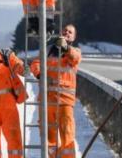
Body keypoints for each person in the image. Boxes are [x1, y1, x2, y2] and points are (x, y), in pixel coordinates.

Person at [30, 24, 81, 158]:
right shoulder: (48, 50)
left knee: (67, 136)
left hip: (65, 102)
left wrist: (65, 47)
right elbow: (35, 63)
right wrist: (40, 75)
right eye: (65, 31)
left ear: (73, 37)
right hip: (48, 100)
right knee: (49, 139)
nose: (66, 33)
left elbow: (75, 59)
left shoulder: (74, 51)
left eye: (70, 32)